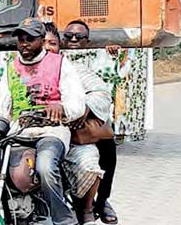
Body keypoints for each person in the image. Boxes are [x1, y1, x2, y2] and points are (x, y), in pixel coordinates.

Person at [0, 18, 87, 225]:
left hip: (51, 132)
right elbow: (2, 105)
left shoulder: (60, 63)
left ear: (42, 41)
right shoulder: (12, 68)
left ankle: (64, 220)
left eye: (30, 39)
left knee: (44, 166)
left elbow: (77, 102)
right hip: (19, 132)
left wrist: (61, 108)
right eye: (20, 39)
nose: (24, 44)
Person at [45, 22, 107, 224]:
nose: (46, 48)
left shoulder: (72, 69)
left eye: (51, 43)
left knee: (91, 163)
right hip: (29, 136)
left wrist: (84, 108)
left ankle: (89, 208)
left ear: (58, 45)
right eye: (42, 43)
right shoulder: (18, 69)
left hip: (69, 137)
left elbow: (102, 92)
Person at [61, 20, 120, 224]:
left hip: (88, 122)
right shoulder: (54, 62)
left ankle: (101, 201)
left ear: (88, 41)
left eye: (79, 36)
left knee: (107, 149)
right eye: (69, 36)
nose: (74, 40)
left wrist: (83, 110)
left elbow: (104, 89)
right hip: (58, 123)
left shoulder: (97, 59)